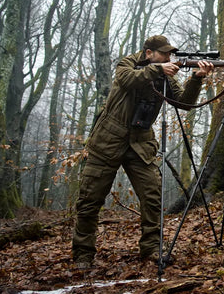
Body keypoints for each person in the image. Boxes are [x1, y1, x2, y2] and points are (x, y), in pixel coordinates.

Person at [72, 35, 214, 268]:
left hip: (140, 144)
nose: (168, 58)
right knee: (89, 200)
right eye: (164, 54)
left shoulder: (164, 75)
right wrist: (158, 70)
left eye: (169, 54)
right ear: (149, 53)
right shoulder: (128, 64)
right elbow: (128, 79)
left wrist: (197, 78)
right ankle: (82, 255)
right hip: (107, 142)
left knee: (152, 197)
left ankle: (151, 249)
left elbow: (184, 103)